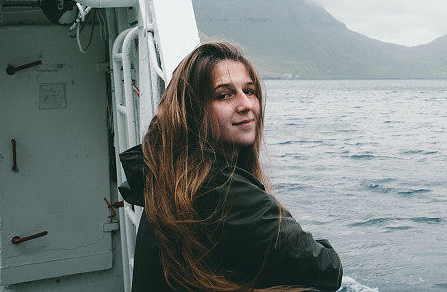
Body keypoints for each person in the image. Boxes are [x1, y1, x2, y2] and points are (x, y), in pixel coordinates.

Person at [118, 41, 343, 291]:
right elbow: (327, 269)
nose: (245, 104)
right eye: (224, 95)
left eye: (249, 91)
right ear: (193, 110)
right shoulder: (219, 188)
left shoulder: (174, 174)